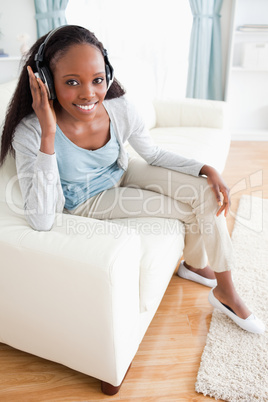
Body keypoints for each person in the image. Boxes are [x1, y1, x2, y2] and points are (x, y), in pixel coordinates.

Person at [0, 25, 265, 334]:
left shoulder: (118, 108)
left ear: (108, 74)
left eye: (97, 80)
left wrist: (206, 169)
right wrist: (48, 131)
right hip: (87, 199)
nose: (88, 93)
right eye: (72, 82)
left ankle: (201, 271)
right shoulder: (31, 133)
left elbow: (151, 153)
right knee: (188, 208)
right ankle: (227, 292)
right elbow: (42, 219)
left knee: (205, 192)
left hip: (122, 172)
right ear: (45, 81)